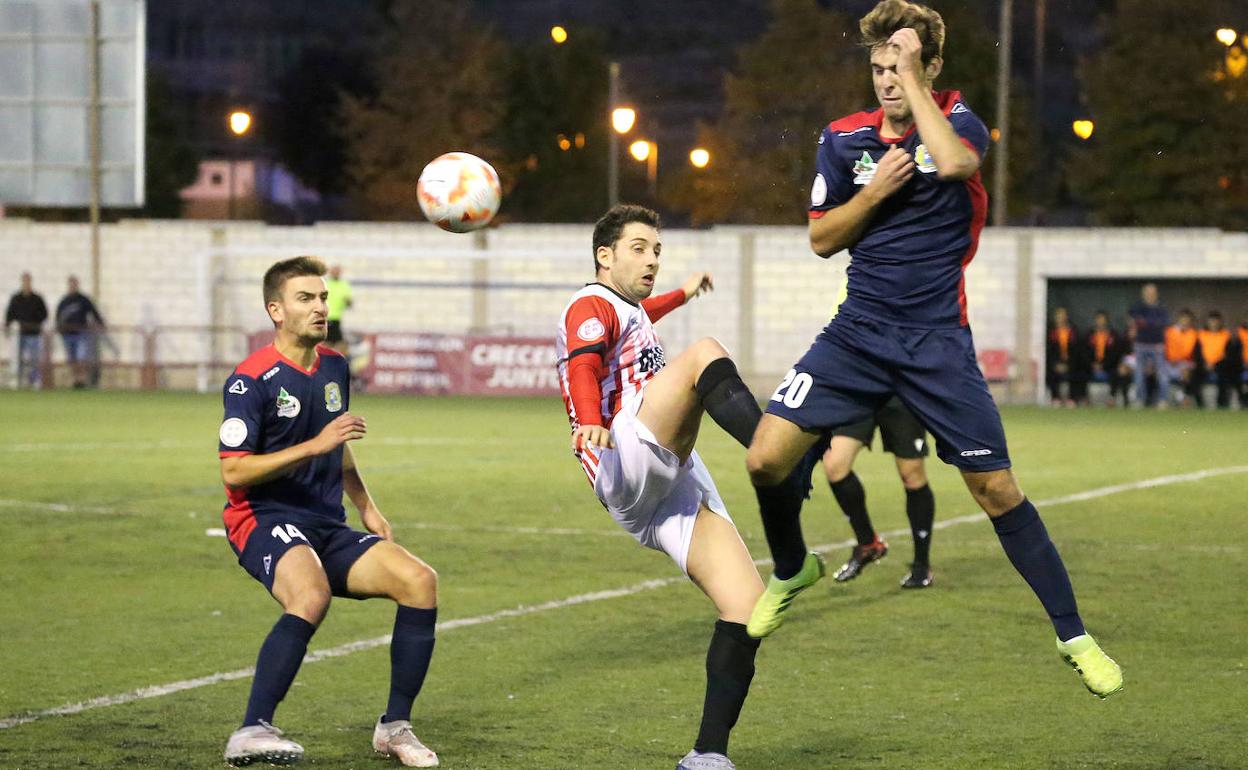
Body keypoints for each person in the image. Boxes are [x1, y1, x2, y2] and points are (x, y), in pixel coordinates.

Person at [741, 0, 1122, 700]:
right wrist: (876, 192)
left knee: (996, 488)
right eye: (880, 67)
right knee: (765, 458)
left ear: (931, 67)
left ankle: (1074, 635)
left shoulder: (959, 120)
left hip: (935, 343)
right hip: (856, 334)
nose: (887, 79)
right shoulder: (842, 139)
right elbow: (823, 239)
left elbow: (952, 161)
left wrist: (918, 86)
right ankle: (793, 567)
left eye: (903, 66)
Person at [556, 204, 769, 770]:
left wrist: (683, 290)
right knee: (702, 354)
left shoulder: (626, 309)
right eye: (639, 248)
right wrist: (586, 420)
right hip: (622, 454)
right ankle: (778, 450)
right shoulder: (589, 304)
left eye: (657, 250)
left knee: (747, 606)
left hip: (661, 485)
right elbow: (582, 363)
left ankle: (707, 754)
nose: (651, 258)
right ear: (605, 256)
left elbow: (644, 311)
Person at [218, 256, 440, 768]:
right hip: (263, 517)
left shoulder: (334, 366)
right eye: (305, 299)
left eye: (321, 298)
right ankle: (251, 729)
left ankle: (395, 727)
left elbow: (338, 447)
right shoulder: (249, 380)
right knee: (311, 594)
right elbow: (234, 473)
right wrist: (314, 444)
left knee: (419, 581)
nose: (320, 307)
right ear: (276, 310)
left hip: (325, 523)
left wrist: (367, 506)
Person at [817, 394, 936, 588]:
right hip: (861, 389)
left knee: (911, 475)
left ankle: (921, 565)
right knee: (834, 465)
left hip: (900, 391)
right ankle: (868, 544)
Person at [55, 275, 106, 389]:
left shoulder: (83, 299)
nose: (72, 286)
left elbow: (93, 311)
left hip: (81, 334)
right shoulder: (64, 301)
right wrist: (59, 328)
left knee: (81, 358)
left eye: (74, 284)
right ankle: (75, 380)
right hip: (67, 335)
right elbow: (58, 316)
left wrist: (101, 323)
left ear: (77, 285)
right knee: (72, 359)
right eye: (71, 284)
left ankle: (82, 379)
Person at [1128, 283, 1170, 408]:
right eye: (1147, 293)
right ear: (1143, 294)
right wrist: (1139, 324)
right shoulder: (1137, 308)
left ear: (1156, 294)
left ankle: (1163, 400)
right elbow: (1132, 320)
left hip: (1157, 346)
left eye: (1152, 293)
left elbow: (1160, 324)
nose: (1149, 295)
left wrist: (1143, 322)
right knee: (1139, 373)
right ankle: (1140, 399)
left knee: (1162, 373)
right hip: (1140, 345)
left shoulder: (1162, 309)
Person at [4, 272, 48, 389]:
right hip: (19, 335)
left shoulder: (37, 299)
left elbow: (44, 314)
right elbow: (10, 314)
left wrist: (35, 322)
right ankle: (17, 382)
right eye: (24, 281)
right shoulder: (16, 298)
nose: (26, 283)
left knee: (34, 359)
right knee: (18, 359)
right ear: (22, 282)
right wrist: (8, 326)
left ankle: (34, 381)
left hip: (34, 334)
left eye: (28, 281)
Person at [1045, 306, 1087, 407]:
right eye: (1058, 315)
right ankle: (1055, 397)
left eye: (1062, 315)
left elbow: (1077, 350)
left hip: (1071, 363)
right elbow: (1049, 351)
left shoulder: (1073, 331)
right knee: (1050, 373)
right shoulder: (1050, 332)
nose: (1060, 318)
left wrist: (1068, 364)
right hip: (1055, 363)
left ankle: (1072, 398)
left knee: (1079, 371)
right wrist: (1056, 364)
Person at [1195, 311, 1234, 409]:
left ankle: (1221, 404)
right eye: (1212, 321)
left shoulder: (1226, 335)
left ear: (1220, 322)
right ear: (1208, 322)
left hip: (1220, 365)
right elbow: (1197, 353)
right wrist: (1204, 363)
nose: (1214, 324)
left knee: (1224, 377)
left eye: (1216, 321)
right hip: (1203, 365)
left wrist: (1215, 364)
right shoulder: (1201, 334)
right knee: (1194, 377)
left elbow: (1229, 354)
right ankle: (1199, 404)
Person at [1087, 311, 1126, 407]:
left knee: (1117, 373)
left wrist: (1103, 365)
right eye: (1098, 320)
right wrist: (1092, 364)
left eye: (1102, 320)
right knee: (1079, 371)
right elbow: (1084, 352)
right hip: (1091, 366)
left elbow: (1116, 353)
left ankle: (1112, 398)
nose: (1100, 322)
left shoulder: (1113, 335)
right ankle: (1082, 397)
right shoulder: (1089, 335)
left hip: (1108, 365)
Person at [1163, 309, 1198, 407]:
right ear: (1178, 319)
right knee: (1162, 376)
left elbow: (1192, 352)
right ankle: (1164, 400)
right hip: (1169, 362)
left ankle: (1184, 400)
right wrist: (1170, 359)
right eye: (1183, 319)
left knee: (1185, 373)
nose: (1185, 322)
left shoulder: (1194, 334)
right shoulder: (1169, 332)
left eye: (1187, 320)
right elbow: (1164, 348)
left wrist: (1184, 362)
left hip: (1186, 363)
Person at [325, 264, 353, 358]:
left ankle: (329, 360)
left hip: (337, 318)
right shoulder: (326, 284)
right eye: (334, 271)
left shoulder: (344, 285)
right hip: (326, 317)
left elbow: (349, 302)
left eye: (338, 271)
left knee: (331, 342)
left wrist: (348, 302)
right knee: (334, 342)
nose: (336, 273)